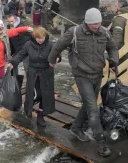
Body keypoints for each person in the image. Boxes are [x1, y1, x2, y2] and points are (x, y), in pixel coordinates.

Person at [48, 8, 119, 157]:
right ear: (86, 22)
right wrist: (52, 60)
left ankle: (76, 128)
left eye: (98, 23)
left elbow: (112, 47)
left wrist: (114, 62)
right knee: (93, 109)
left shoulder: (104, 32)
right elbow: (58, 45)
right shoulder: (74, 32)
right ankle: (101, 142)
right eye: (93, 24)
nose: (96, 26)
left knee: (89, 104)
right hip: (81, 75)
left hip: (97, 74)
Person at [9, 27, 61, 126]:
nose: (41, 40)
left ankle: (40, 115)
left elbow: (57, 54)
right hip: (33, 73)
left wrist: (57, 59)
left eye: (43, 38)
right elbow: (21, 54)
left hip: (46, 72)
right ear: (34, 37)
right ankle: (28, 108)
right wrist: (14, 62)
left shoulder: (50, 44)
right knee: (35, 93)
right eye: (38, 38)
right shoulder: (28, 44)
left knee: (44, 94)